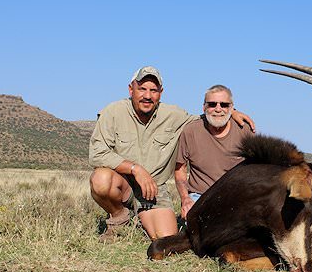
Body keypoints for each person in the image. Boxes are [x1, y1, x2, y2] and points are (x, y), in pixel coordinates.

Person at [89, 66, 254, 241]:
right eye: (142, 89)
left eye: (153, 90)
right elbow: (97, 154)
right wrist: (135, 169)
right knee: (101, 179)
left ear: (161, 92)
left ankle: (139, 219)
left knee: (165, 238)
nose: (147, 95)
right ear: (131, 89)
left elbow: (207, 117)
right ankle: (119, 217)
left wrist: (232, 112)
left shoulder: (173, 115)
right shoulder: (113, 112)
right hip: (124, 184)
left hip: (154, 190)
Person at [175, 84, 253, 219]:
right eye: (212, 104)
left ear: (232, 107)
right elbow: (179, 170)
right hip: (200, 196)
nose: (218, 109)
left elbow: (255, 168)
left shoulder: (244, 131)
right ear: (204, 107)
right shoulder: (191, 131)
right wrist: (185, 199)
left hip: (235, 196)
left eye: (224, 105)